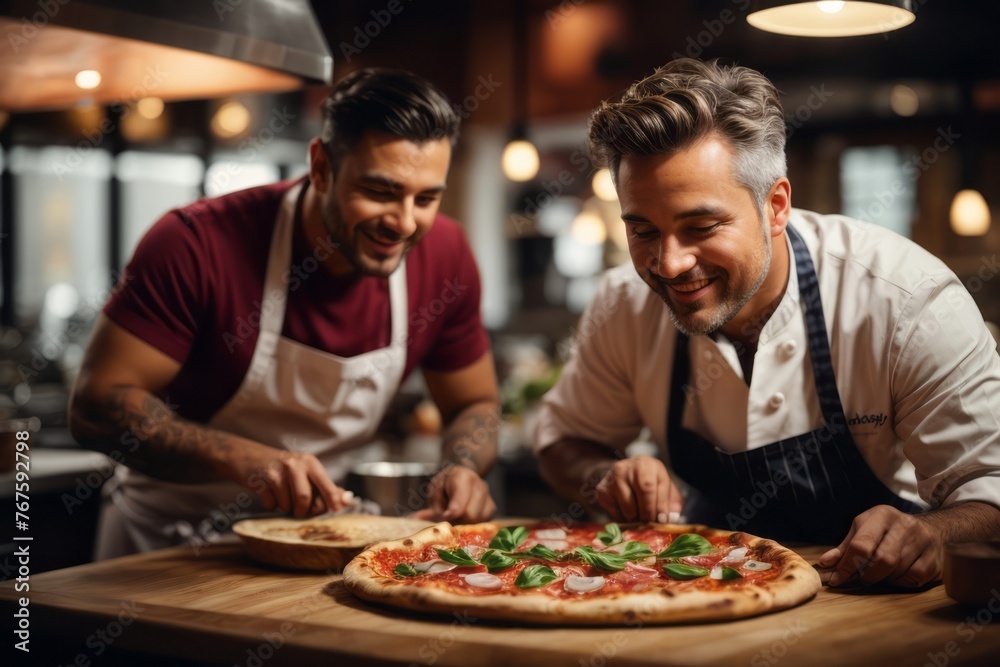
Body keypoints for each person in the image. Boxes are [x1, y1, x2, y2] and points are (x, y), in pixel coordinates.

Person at [535, 58, 1000, 589]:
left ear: (775, 206)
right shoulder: (623, 304)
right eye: (642, 231)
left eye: (701, 226)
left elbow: (989, 488)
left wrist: (933, 534)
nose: (669, 263)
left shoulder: (906, 300)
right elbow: (563, 442)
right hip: (697, 596)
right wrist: (603, 478)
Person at [69, 68, 500, 558]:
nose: (404, 222)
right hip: (167, 543)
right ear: (320, 166)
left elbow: (475, 405)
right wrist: (242, 458)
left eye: (426, 198)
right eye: (380, 192)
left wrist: (462, 465)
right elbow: (96, 407)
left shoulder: (445, 255)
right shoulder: (195, 243)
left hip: (320, 543)